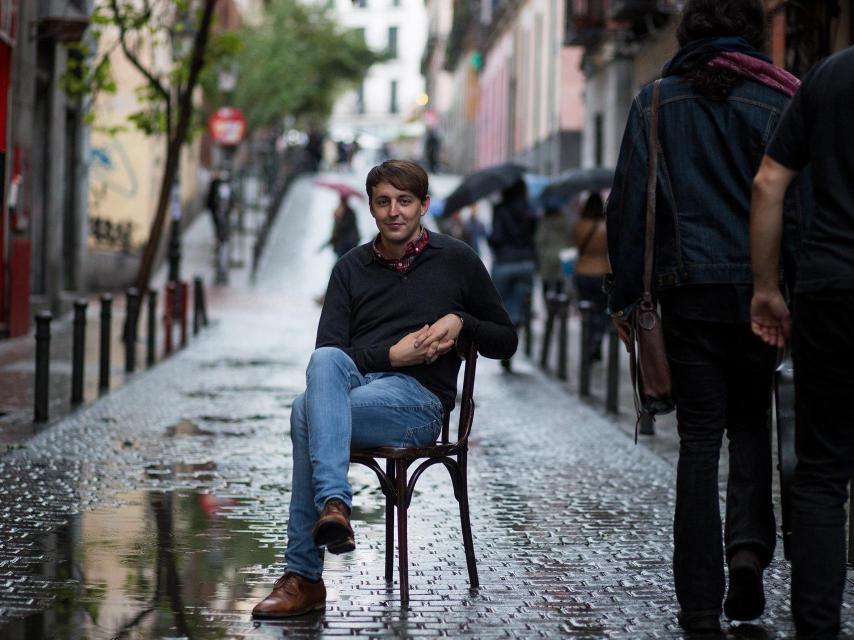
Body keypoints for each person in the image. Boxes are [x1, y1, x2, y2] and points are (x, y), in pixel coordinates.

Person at [605, 0, 805, 633]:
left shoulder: (655, 102)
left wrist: (623, 299)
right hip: (759, 292)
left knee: (697, 441)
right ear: (751, 34)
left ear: (688, 32)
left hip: (685, 293)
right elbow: (795, 206)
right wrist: (792, 292)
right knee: (750, 426)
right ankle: (746, 554)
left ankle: (697, 599)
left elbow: (627, 205)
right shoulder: (779, 98)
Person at [252, 160, 517, 619]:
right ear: (372, 208)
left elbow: (506, 341)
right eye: (384, 202)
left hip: (419, 404)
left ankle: (305, 574)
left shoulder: (457, 260)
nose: (395, 212)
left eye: (405, 201)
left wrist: (463, 321)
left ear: (424, 205)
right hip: (360, 388)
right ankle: (334, 505)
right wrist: (393, 356)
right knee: (324, 362)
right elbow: (329, 353)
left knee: (303, 412)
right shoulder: (349, 268)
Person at [750, 46, 854, 638]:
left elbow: (770, 183)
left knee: (821, 474)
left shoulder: (829, 76)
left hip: (830, 288)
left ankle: (818, 629)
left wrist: (767, 289)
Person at [488, 179, 537, 370]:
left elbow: (496, 237)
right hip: (525, 262)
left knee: (501, 309)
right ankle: (513, 337)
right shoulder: (530, 210)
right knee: (518, 309)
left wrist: (491, 240)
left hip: (504, 262)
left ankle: (505, 348)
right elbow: (534, 237)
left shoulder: (500, 209)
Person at [573, 193, 609, 362]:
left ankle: (589, 342)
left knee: (586, 311)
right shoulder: (607, 226)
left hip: (582, 271)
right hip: (602, 271)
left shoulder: (579, 225)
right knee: (601, 311)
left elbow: (575, 245)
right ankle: (597, 341)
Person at [535, 204, 571, 300]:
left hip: (547, 255)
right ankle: (560, 304)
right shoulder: (565, 220)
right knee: (561, 283)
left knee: (546, 282)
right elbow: (571, 238)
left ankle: (548, 304)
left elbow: (539, 239)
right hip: (563, 255)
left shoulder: (544, 222)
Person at [324, 195, 360, 259]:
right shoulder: (339, 211)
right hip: (341, 243)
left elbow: (344, 227)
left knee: (345, 262)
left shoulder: (349, 212)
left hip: (348, 243)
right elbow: (336, 229)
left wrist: (339, 218)